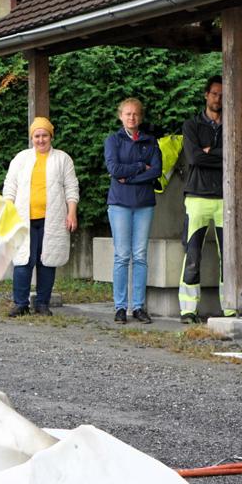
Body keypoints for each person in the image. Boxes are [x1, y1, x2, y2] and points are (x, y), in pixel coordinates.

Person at [2, 117, 79, 317]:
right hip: (23, 219)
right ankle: (21, 303)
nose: (41, 139)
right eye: (37, 136)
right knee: (23, 260)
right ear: (32, 138)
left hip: (52, 219)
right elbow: (10, 186)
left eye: (44, 135)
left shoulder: (63, 159)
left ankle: (43, 304)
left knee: (47, 260)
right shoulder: (21, 158)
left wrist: (72, 212)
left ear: (50, 136)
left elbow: (71, 187)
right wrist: (8, 211)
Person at [178, 75, 234, 324]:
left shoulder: (231, 124)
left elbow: (235, 155)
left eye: (222, 95)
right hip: (197, 197)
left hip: (226, 197)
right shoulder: (191, 125)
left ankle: (231, 307)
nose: (218, 98)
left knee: (229, 256)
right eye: (214, 93)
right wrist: (218, 155)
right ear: (206, 95)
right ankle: (188, 310)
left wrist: (212, 152)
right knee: (193, 255)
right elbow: (195, 158)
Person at [104, 98, 161, 325]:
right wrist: (139, 166)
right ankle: (120, 307)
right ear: (121, 116)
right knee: (122, 256)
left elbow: (156, 170)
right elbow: (114, 169)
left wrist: (128, 177)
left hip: (144, 203)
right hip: (119, 204)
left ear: (141, 116)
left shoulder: (150, 141)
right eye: (127, 114)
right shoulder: (113, 140)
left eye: (135, 114)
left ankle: (138, 306)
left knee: (140, 256)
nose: (132, 118)